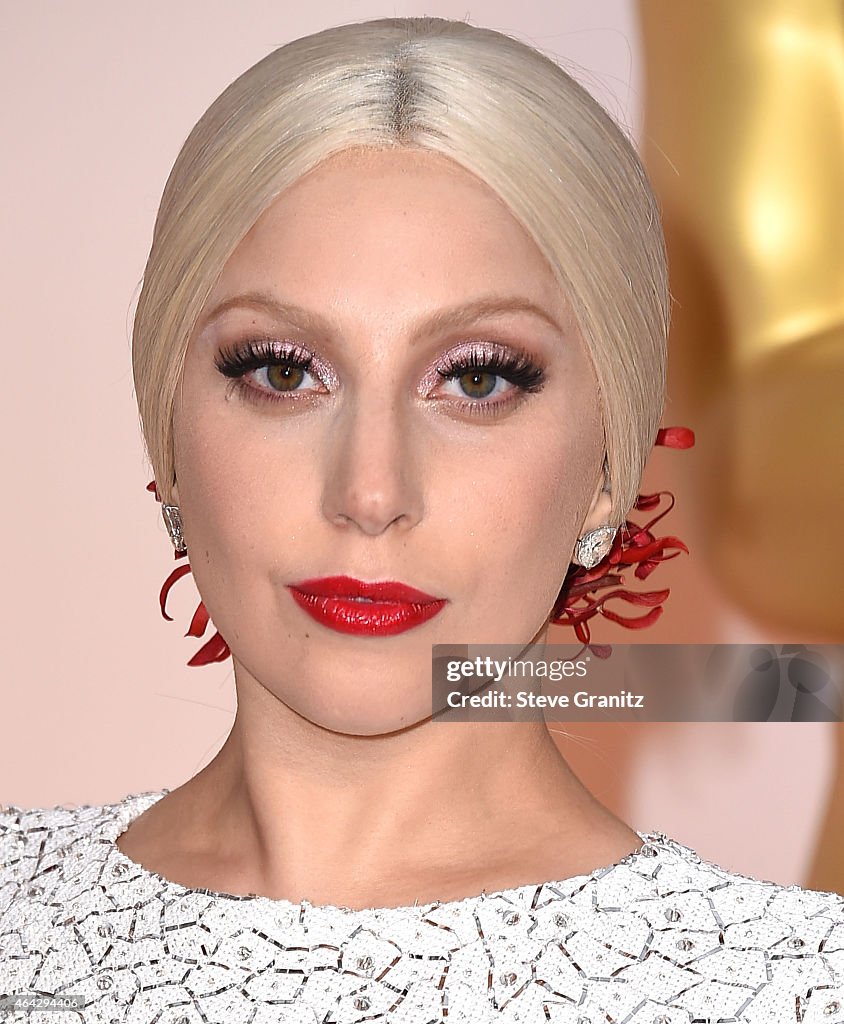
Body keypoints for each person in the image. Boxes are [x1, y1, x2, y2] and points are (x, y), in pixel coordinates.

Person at [1, 15, 842, 1024]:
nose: (367, 491)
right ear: (168, 432)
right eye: (281, 371)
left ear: (606, 470)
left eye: (477, 378)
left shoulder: (790, 987)